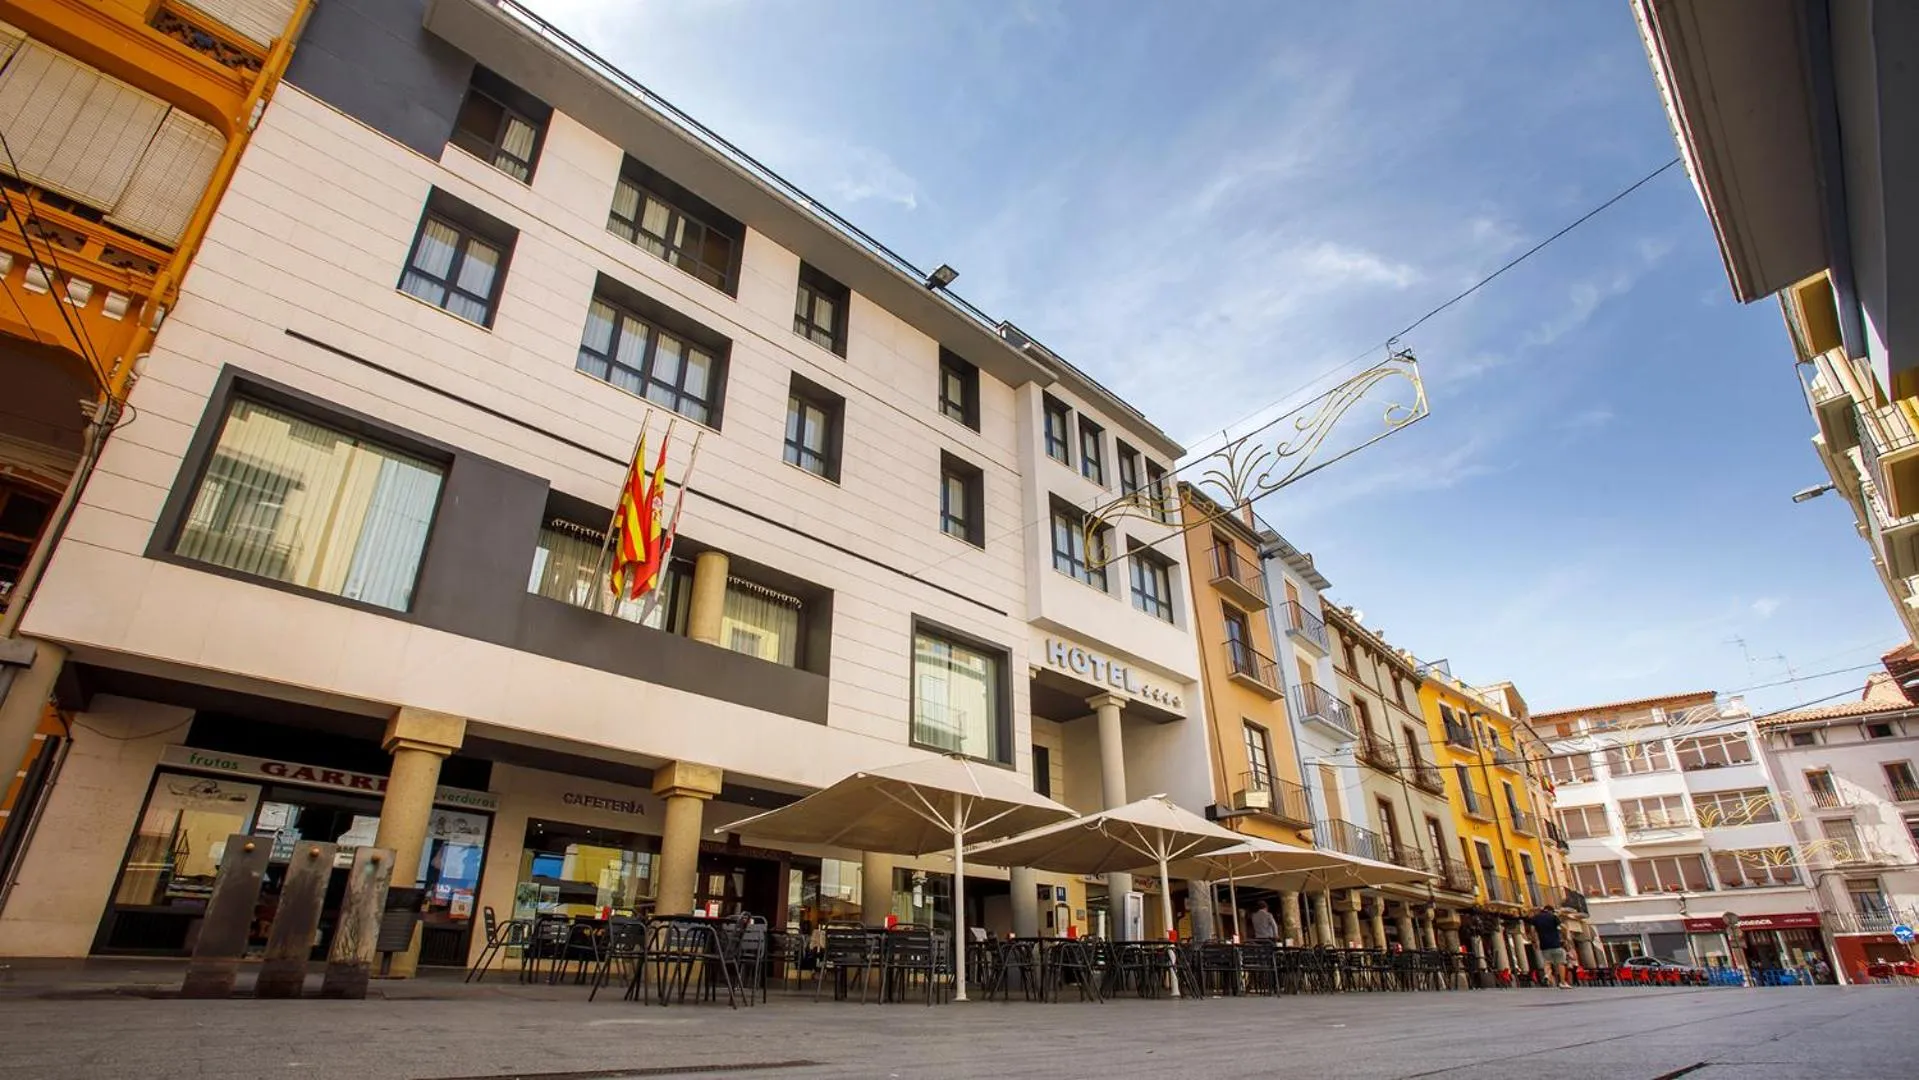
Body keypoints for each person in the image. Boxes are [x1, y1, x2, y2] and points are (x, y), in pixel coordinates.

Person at [1529, 904, 1570, 988]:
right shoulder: (1553, 917)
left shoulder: (1535, 918)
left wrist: (1534, 942)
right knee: (1561, 963)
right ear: (1550, 911)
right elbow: (1564, 928)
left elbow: (1532, 930)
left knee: (1547, 962)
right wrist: (1565, 938)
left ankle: (1547, 975)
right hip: (1556, 944)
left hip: (1544, 945)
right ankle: (1562, 982)